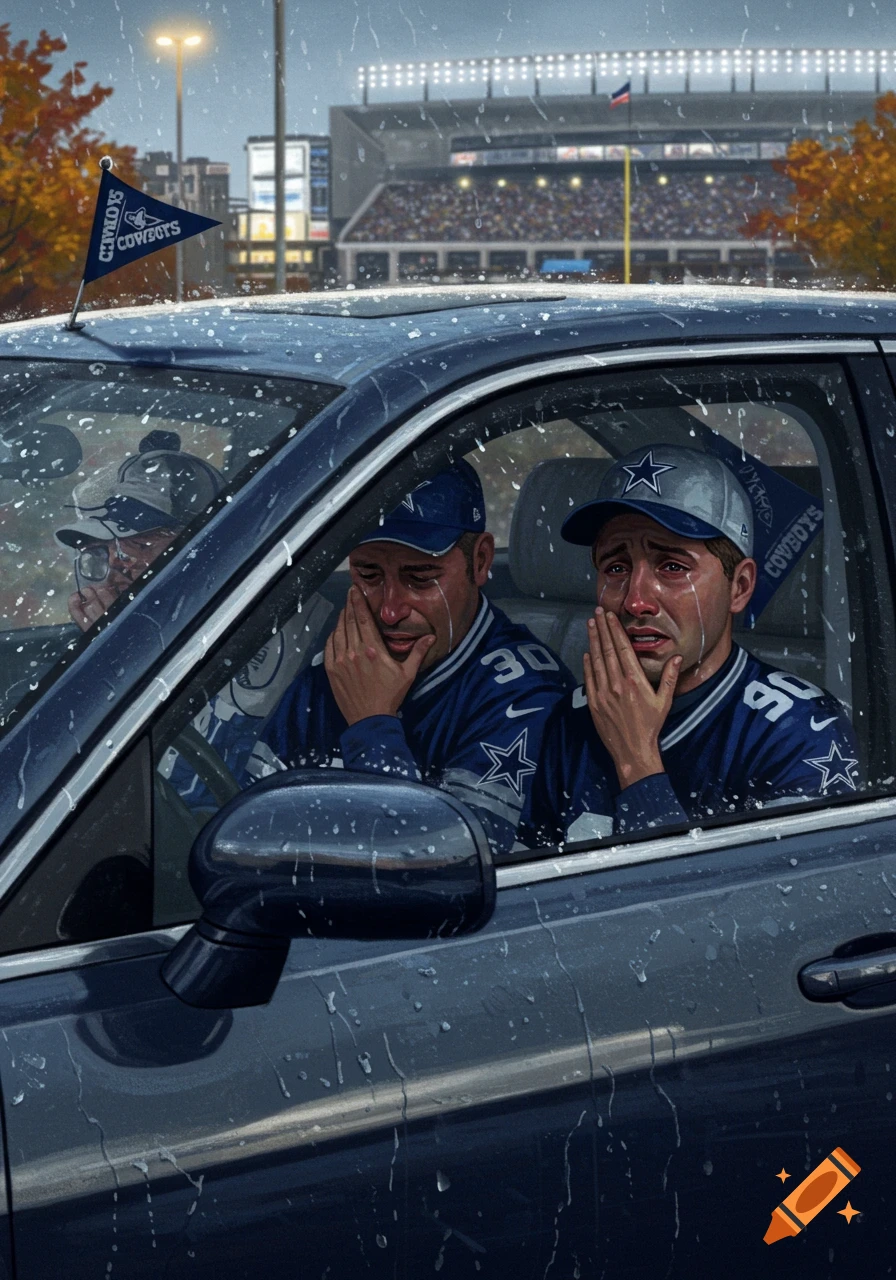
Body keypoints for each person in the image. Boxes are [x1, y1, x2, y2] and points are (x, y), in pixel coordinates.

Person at [522, 443, 860, 847]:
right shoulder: (574, 718)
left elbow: (743, 906)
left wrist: (638, 763)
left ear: (740, 587)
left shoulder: (800, 732)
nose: (636, 601)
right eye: (616, 567)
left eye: (673, 567)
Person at [248, 460, 574, 853]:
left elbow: (441, 872)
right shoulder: (343, 666)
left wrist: (373, 726)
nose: (389, 611)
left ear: (481, 561)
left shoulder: (525, 696)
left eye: (420, 579)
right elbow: (251, 827)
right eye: (369, 575)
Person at [55, 430, 225, 632]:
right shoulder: (175, 622)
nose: (114, 565)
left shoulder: (234, 617)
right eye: (100, 552)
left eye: (140, 545)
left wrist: (120, 638)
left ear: (198, 548)